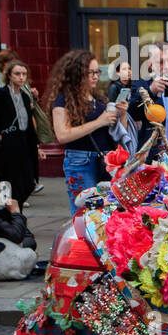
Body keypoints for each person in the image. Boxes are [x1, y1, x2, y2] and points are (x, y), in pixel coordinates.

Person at [49, 50, 118, 213]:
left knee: (108, 210)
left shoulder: (99, 99)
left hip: (106, 160)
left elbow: (113, 131)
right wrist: (99, 122)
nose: (95, 76)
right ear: (77, 74)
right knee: (85, 212)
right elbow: (62, 135)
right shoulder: (63, 99)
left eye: (97, 72)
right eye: (90, 73)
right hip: (81, 161)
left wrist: (120, 115)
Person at [0, 58, 38, 207]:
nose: (21, 77)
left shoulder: (25, 96)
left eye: (24, 74)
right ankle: (13, 217)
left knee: (28, 183)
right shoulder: (1, 94)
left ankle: (14, 214)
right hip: (8, 144)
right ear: (9, 76)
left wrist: (37, 145)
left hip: (24, 142)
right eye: (17, 74)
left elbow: (29, 122)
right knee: (11, 182)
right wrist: (0, 134)